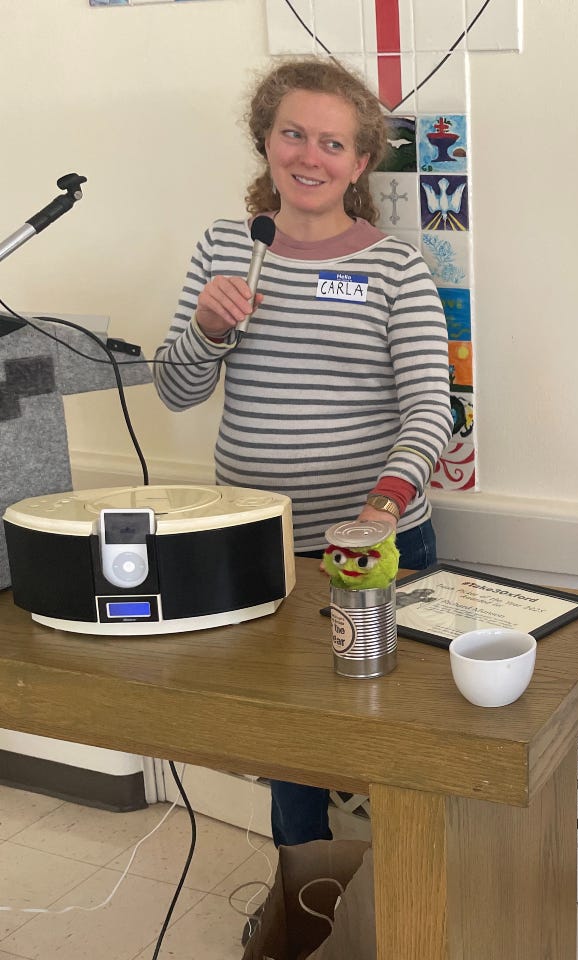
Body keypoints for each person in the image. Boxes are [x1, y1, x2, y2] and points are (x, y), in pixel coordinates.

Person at [154, 58, 454, 851]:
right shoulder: (226, 247)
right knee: (292, 742)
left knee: (395, 736)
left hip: (378, 547)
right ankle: (305, 888)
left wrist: (380, 507)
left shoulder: (394, 266)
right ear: (266, 141)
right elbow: (176, 392)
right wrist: (207, 330)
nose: (309, 156)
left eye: (332, 143)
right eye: (293, 134)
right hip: (263, 548)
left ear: (360, 163)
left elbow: (434, 408)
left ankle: (406, 898)